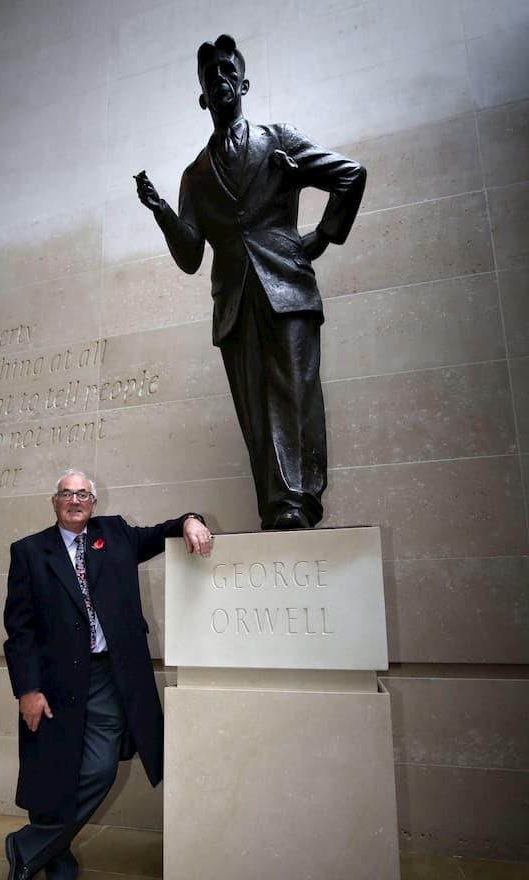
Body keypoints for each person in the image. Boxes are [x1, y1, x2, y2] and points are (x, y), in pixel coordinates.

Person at [136, 34, 366, 530]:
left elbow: (350, 174)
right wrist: (160, 211)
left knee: (294, 395)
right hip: (235, 300)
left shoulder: (278, 139)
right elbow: (191, 255)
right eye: (208, 77)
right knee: (254, 411)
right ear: (202, 97)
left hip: (287, 285)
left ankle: (298, 503)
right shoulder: (194, 175)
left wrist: (319, 239)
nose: (218, 80)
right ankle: (275, 507)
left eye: (225, 71)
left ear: (243, 82)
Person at [3, 469, 213, 880]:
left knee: (97, 770)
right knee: (53, 777)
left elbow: (164, 531)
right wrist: (28, 689)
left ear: (93, 503)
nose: (75, 499)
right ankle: (58, 875)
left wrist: (192, 520)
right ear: (54, 501)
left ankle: (27, 847)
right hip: (54, 685)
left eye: (83, 493)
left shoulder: (115, 534)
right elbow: (19, 630)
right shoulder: (28, 552)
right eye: (66, 494)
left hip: (107, 678)